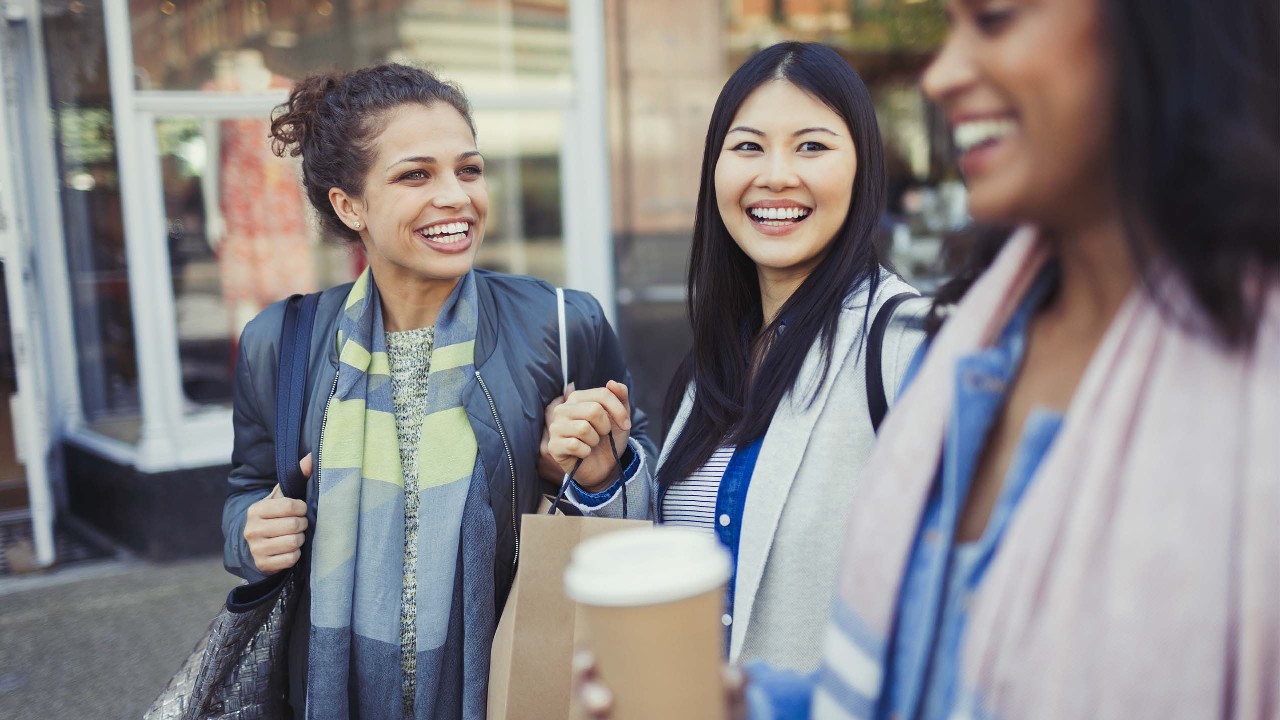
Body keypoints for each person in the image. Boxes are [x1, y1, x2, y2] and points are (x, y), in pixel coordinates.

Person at [674, 0, 1275, 717]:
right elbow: (932, 684)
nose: (941, 75)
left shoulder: (913, 347)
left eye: (992, 19)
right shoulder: (991, 340)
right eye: (747, 147)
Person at [220, 63, 655, 719]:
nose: (456, 196)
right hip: (333, 690)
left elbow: (640, 516)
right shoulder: (282, 341)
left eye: (469, 170)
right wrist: (248, 535)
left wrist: (592, 471)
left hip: (511, 685)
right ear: (350, 205)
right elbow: (246, 493)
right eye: (415, 175)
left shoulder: (562, 325)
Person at [547, 41, 928, 675]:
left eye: (812, 146)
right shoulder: (711, 367)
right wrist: (600, 476)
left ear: (863, 167)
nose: (775, 175)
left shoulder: (907, 343)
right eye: (748, 146)